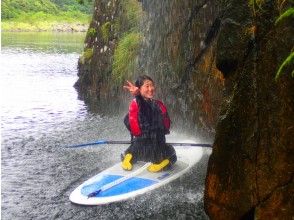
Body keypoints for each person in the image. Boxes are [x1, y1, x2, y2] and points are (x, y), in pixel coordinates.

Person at [121, 75, 177, 172]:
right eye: (147, 86)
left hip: (139, 149)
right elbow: (144, 107)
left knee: (130, 150)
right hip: (156, 151)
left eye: (152, 85)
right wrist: (138, 95)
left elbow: (127, 121)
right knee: (172, 154)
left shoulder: (136, 105)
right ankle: (163, 163)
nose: (151, 89)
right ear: (139, 89)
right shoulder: (150, 105)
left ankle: (128, 157)